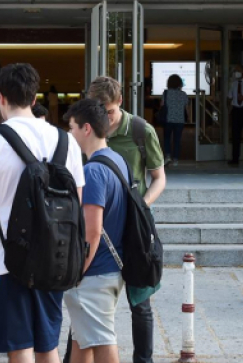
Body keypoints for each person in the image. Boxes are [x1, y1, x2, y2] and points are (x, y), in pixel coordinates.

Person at [0, 63, 86, 363]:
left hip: (7, 261)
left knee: (19, 346)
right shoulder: (66, 141)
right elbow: (77, 202)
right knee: (48, 346)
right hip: (54, 258)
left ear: (0, 98)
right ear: (34, 99)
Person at [85, 76, 164, 363]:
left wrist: (142, 206)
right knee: (88, 298)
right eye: (97, 109)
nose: (103, 116)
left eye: (108, 110)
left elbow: (159, 177)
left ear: (119, 102)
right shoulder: (88, 130)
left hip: (134, 226)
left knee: (140, 301)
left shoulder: (141, 130)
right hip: (97, 223)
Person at [63, 98, 128, 363]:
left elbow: (92, 232)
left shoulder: (93, 172)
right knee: (82, 340)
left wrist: (77, 273)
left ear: (86, 128)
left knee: (101, 340)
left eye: (72, 128)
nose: (70, 134)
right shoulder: (117, 160)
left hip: (95, 272)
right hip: (111, 267)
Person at [161, 74, 189, 167]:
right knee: (177, 140)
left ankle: (168, 156)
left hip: (168, 119)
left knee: (167, 138)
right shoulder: (183, 94)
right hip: (180, 120)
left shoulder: (166, 93)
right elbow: (186, 107)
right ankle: (176, 160)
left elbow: (162, 105)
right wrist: (188, 118)